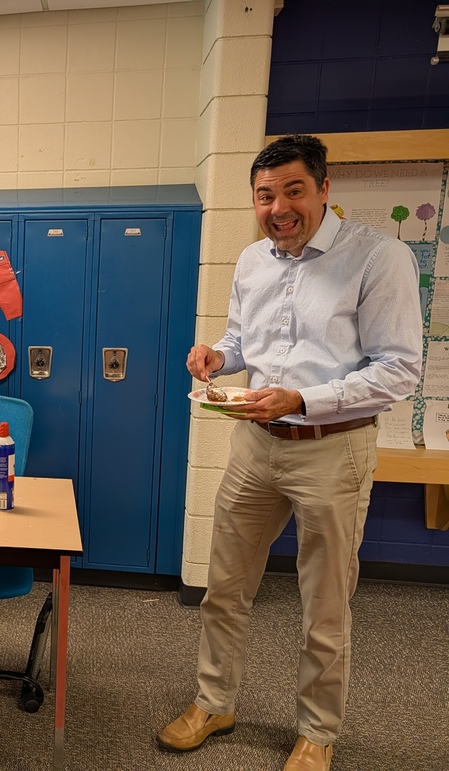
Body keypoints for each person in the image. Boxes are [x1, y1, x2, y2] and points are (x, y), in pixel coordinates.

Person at [157, 134, 422, 771]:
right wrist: (219, 355)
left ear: (325, 190)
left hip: (333, 448)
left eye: (293, 190)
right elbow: (245, 339)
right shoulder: (253, 261)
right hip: (255, 443)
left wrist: (301, 400)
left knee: (324, 602)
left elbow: (398, 371)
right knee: (225, 586)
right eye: (265, 195)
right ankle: (215, 701)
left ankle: (318, 732)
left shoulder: (377, 257)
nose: (279, 206)